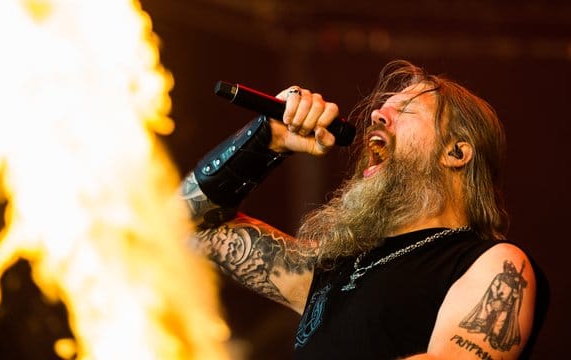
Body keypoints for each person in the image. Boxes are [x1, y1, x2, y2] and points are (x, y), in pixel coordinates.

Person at [180, 60, 545, 359]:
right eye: (381, 109)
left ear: (455, 153)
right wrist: (265, 141)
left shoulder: (496, 264)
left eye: (405, 110)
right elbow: (185, 227)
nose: (376, 116)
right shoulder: (334, 272)